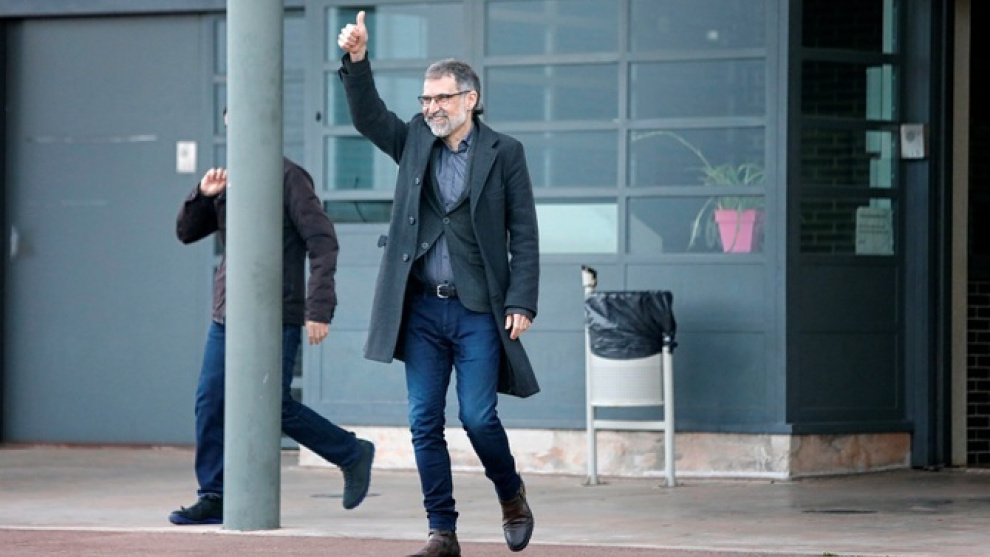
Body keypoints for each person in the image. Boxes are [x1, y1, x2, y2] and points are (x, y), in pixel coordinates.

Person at [337, 11, 539, 557]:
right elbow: (368, 116)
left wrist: (522, 300)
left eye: (441, 98)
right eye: (425, 99)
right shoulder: (414, 142)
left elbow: (524, 232)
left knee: (477, 417)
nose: (431, 108)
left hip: (478, 310)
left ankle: (511, 494)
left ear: (470, 99)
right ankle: (441, 531)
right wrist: (357, 59)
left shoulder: (505, 153)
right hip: (423, 309)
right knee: (423, 421)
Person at [170, 113, 375, 525]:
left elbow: (323, 243)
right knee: (210, 403)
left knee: (272, 406)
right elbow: (187, 233)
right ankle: (214, 495)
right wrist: (203, 195)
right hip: (227, 314)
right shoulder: (229, 180)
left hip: (275, 315)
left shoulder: (290, 178)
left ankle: (351, 452)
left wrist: (319, 308)